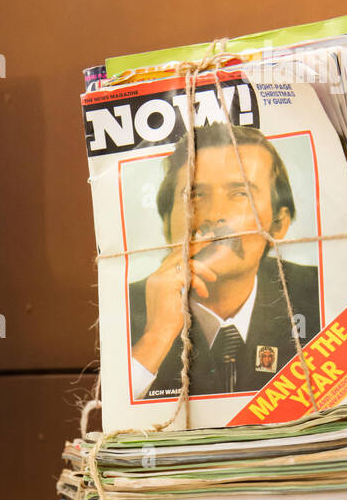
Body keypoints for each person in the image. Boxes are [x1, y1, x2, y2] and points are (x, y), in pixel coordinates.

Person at [128, 123, 320, 401]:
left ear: (279, 224)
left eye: (240, 193)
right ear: (167, 222)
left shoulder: (319, 295)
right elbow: (106, 424)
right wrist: (154, 339)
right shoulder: (123, 308)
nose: (214, 215)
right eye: (195, 195)